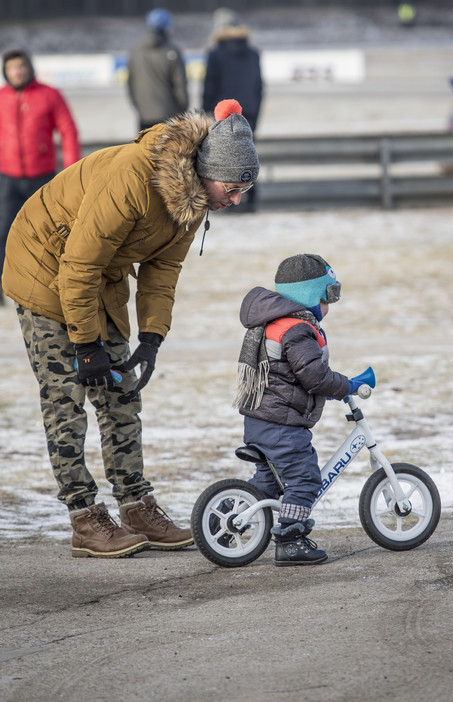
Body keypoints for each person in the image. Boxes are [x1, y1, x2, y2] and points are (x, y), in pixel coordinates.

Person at [2, 98, 259, 558]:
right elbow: (78, 264)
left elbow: (163, 270)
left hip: (98, 276)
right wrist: (85, 345)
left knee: (121, 394)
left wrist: (152, 338)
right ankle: (84, 517)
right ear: (208, 170)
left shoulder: (195, 198)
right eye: (233, 188)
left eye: (244, 190)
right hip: (44, 267)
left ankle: (136, 505)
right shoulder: (132, 178)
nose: (236, 200)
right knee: (67, 396)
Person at [234, 253, 367, 566]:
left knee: (268, 483)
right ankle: (291, 540)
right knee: (305, 479)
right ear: (309, 296)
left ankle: (232, 522)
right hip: (281, 425)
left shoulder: (274, 322)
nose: (330, 306)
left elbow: (296, 374)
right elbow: (314, 375)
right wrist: (346, 385)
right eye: (328, 296)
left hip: (260, 420)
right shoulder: (297, 329)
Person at [0, 46, 80, 303]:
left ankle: (51, 285)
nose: (17, 71)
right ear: (6, 71)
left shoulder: (49, 95)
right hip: (7, 177)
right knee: (4, 232)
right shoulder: (1, 97)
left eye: (21, 66)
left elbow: (68, 132)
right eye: (12, 67)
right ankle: (4, 286)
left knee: (49, 234)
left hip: (42, 177)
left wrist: (69, 171)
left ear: (29, 68)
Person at [202, 8, 263, 213]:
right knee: (248, 156)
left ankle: (228, 201)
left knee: (226, 160)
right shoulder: (253, 53)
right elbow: (259, 87)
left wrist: (206, 112)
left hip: (222, 114)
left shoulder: (215, 54)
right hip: (249, 113)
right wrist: (256, 112)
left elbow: (209, 86)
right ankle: (251, 200)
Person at [127, 8, 189, 131]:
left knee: (145, 149)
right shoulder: (172, 51)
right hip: (170, 116)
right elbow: (180, 85)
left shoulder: (135, 51)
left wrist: (139, 107)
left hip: (144, 114)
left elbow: (130, 84)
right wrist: (182, 110)